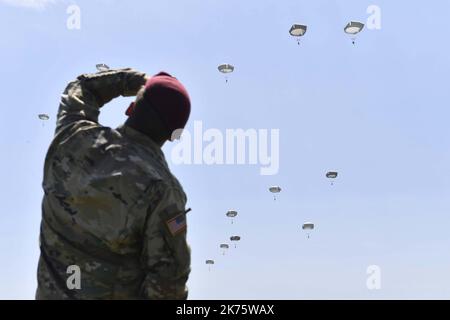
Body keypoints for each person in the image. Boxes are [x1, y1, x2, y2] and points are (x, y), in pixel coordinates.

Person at [36, 68, 191, 299]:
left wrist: (133, 81)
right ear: (174, 136)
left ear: (131, 108)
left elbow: (81, 88)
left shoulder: (72, 137)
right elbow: (168, 284)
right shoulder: (163, 191)